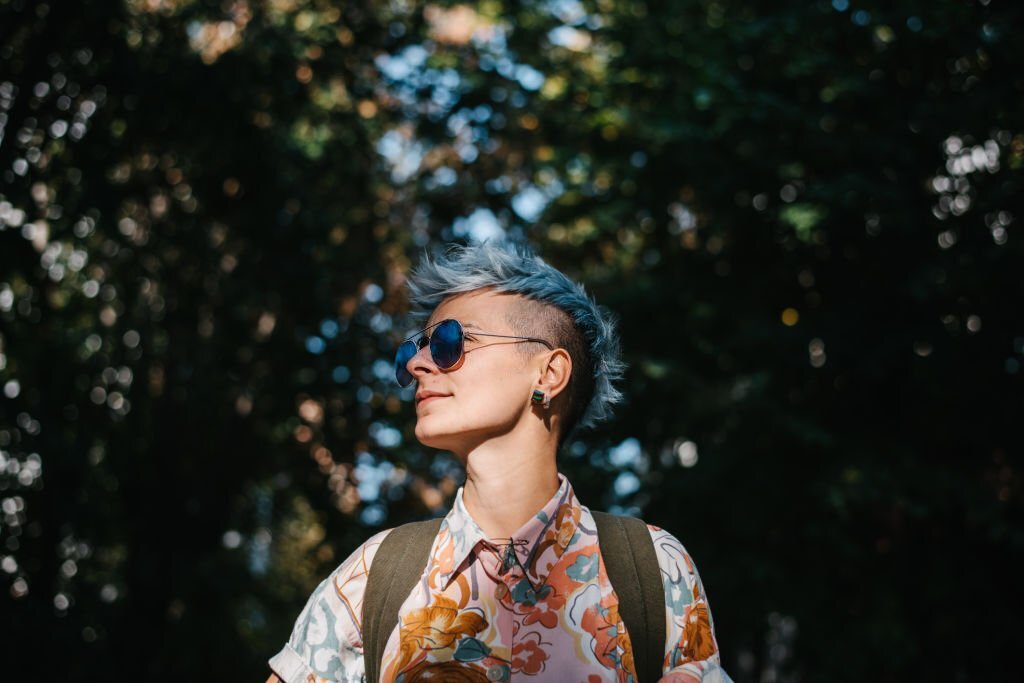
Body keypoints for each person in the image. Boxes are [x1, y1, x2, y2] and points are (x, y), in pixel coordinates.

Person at [267, 241, 730, 682]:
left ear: (549, 373)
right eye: (414, 350)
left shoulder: (651, 567)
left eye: (450, 342)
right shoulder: (374, 574)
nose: (417, 365)